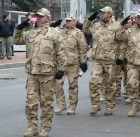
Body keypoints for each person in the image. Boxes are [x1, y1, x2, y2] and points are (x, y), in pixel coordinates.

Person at [13, 8, 67, 137]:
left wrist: (61, 69)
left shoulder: (54, 33)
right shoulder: (30, 33)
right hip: (32, 73)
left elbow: (62, 53)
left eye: (41, 16)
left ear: (48, 18)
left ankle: (45, 128)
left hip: (47, 73)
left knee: (46, 102)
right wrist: (19, 28)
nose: (37, 18)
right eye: (37, 16)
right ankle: (32, 128)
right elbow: (16, 40)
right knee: (30, 102)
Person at [82, 6, 126, 116]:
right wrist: (89, 20)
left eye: (104, 12)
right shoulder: (96, 25)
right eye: (100, 12)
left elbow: (123, 42)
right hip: (97, 59)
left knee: (110, 84)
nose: (101, 14)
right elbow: (85, 30)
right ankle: (95, 105)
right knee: (93, 81)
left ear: (110, 14)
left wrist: (121, 57)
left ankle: (109, 106)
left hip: (110, 60)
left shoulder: (116, 26)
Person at [55, 14, 88, 115]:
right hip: (60, 64)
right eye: (67, 20)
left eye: (70, 20)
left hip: (73, 64)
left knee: (73, 86)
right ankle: (61, 104)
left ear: (75, 22)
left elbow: (83, 48)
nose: (68, 22)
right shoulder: (59, 32)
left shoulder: (78, 33)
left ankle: (72, 106)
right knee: (57, 84)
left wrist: (83, 62)